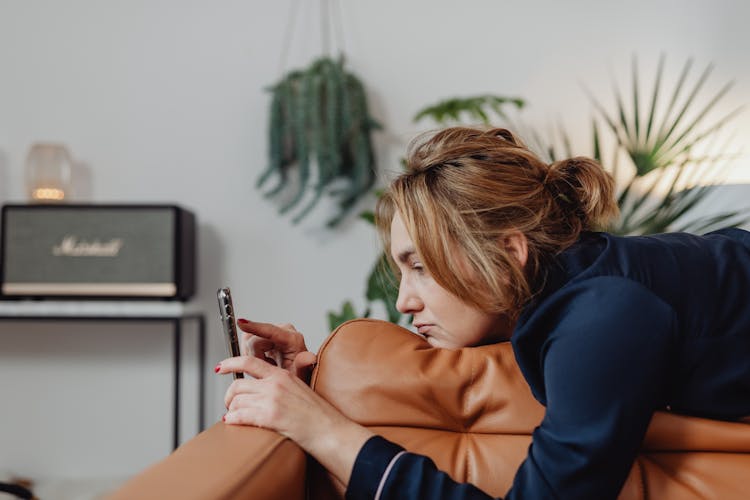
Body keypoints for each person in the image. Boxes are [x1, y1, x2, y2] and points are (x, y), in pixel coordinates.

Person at [215, 127, 750, 499]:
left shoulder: (602, 316)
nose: (404, 301)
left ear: (508, 253)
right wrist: (321, 380)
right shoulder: (566, 293)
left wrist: (324, 431)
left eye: (420, 266)